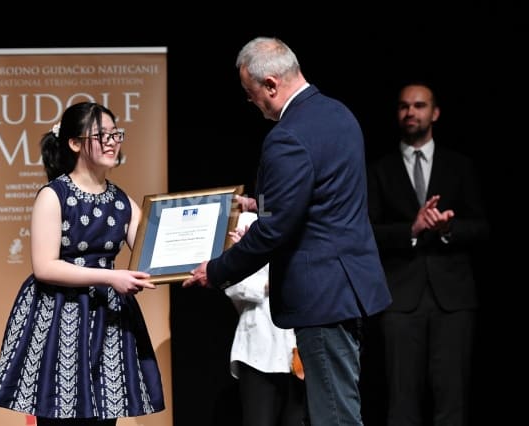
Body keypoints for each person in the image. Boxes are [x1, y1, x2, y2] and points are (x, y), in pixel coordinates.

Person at [182, 36, 392, 426]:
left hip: (322, 295)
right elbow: (321, 195)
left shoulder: (287, 135)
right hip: (348, 287)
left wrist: (216, 270)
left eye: (250, 94)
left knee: (334, 415)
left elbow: (276, 230)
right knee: (339, 406)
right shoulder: (339, 114)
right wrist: (261, 206)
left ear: (271, 85)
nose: (251, 102)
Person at [0, 102, 165, 426]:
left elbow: (155, 250)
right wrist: (110, 278)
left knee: (103, 413)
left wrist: (218, 235)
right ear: (74, 143)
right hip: (60, 315)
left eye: (115, 134)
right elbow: (45, 267)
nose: (112, 142)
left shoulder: (121, 200)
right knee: (60, 411)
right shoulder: (53, 195)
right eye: (101, 135)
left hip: (106, 320)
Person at [366, 82, 489, 425]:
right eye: (404, 106)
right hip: (400, 299)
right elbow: (367, 233)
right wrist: (412, 229)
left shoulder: (459, 165)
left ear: (434, 113)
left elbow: (482, 227)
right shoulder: (379, 169)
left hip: (453, 299)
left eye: (419, 106)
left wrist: (449, 228)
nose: (411, 112)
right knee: (401, 402)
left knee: (452, 400)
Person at [225, 211, 308, 426]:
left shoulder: (303, 220)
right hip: (258, 346)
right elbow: (230, 283)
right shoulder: (246, 222)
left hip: (300, 347)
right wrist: (271, 284)